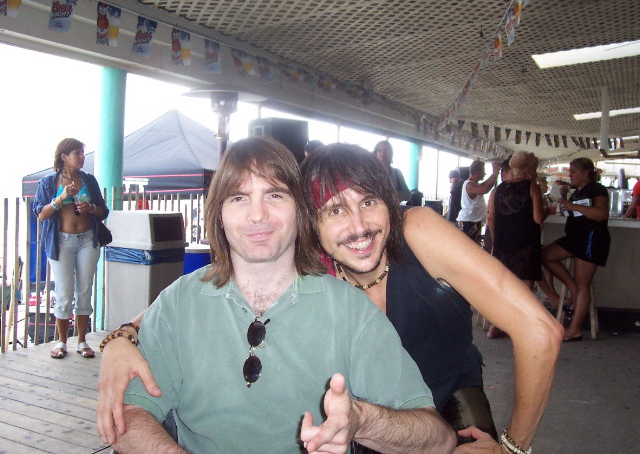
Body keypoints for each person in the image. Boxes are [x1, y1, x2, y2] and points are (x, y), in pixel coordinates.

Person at [98, 142, 562, 454]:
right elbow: (186, 307)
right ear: (312, 222)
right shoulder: (316, 267)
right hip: (361, 419)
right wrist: (120, 338)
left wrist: (513, 448)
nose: (357, 226)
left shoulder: (415, 231)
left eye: (369, 201)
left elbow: (539, 331)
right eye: (335, 209)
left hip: (449, 399)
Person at [33, 138, 109, 359]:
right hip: (61, 242)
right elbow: (41, 214)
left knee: (84, 290)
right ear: (64, 156)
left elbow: (103, 211)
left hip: (88, 239)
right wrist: (61, 198)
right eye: (78, 153)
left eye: (83, 153)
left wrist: (90, 207)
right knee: (64, 292)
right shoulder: (48, 182)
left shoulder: (88, 180)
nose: (83, 157)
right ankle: (61, 341)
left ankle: (82, 340)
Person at [542, 158, 610, 342]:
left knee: (583, 284)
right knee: (545, 256)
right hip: (574, 238)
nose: (570, 175)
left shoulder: (597, 189)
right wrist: (564, 199)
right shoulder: (577, 191)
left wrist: (573, 206)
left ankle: (575, 329)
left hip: (591, 238)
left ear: (585, 173)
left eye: (573, 172)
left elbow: (601, 214)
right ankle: (572, 289)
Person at [486, 152, 544, 339]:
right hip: (526, 243)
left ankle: (496, 325)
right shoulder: (532, 187)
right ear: (528, 169)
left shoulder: (497, 190)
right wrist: (547, 212)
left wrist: (495, 242)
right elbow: (538, 219)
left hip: (503, 244)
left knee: (504, 286)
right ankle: (519, 325)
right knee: (525, 286)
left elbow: (490, 218)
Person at [456, 160, 500, 245]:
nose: (485, 173)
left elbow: (484, 185)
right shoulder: (469, 184)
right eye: (483, 171)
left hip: (473, 222)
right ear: (477, 172)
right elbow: (484, 189)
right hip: (468, 222)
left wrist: (494, 174)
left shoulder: (474, 184)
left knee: (473, 246)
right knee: (468, 247)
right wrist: (495, 174)